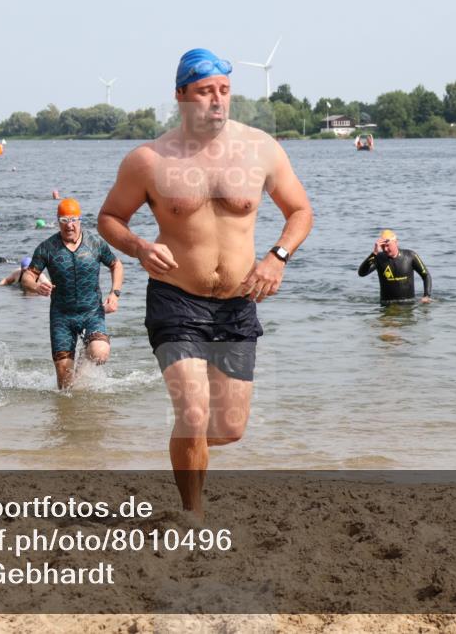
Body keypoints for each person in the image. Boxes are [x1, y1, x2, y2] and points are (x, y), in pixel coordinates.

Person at [97, 48, 313, 516]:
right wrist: (138, 247)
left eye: (224, 91)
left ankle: (185, 444)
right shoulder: (149, 160)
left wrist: (277, 258)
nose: (217, 101)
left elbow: (300, 211)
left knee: (229, 428)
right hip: (176, 299)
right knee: (193, 414)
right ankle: (192, 516)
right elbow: (110, 218)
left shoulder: (261, 150)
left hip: (238, 304)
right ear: (180, 95)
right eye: (204, 92)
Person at [23, 198, 123, 389]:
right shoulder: (47, 247)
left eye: (73, 220)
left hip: (91, 312)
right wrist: (36, 287)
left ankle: (82, 367)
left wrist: (115, 294)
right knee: (64, 384)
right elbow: (28, 276)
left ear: (80, 220)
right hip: (62, 316)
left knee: (100, 352)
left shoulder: (94, 243)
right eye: (64, 221)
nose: (69, 225)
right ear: (58, 221)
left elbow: (116, 265)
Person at [357, 229, 431, 304]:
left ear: (396, 242)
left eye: (387, 245)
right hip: (386, 305)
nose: (385, 249)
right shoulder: (379, 258)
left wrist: (426, 296)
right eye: (382, 246)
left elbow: (426, 275)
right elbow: (362, 273)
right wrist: (374, 253)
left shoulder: (410, 256)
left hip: (408, 304)